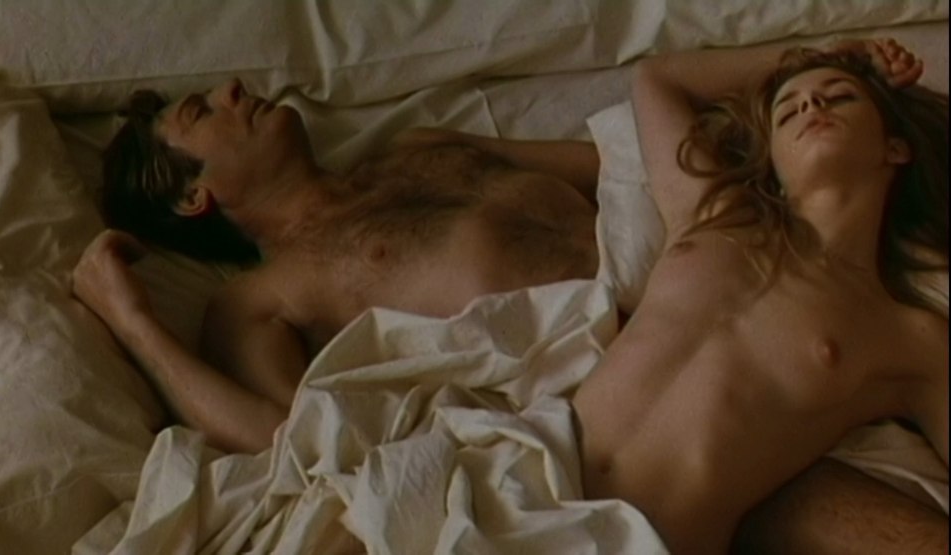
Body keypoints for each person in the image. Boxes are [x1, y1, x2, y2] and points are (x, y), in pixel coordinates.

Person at [71, 38, 947, 553]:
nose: (232, 89)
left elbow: (629, 167)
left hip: (699, 331)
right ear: (193, 196)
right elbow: (291, 440)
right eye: (201, 112)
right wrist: (134, 320)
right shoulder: (261, 295)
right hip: (540, 421)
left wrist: (814, 93)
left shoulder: (426, 147)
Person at [573, 37, 948, 554]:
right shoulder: (713, 215)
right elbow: (657, 79)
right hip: (524, 486)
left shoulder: (909, 336)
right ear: (773, 161)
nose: (811, 104)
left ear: (895, 148)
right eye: (788, 110)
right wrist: (829, 52)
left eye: (840, 96)